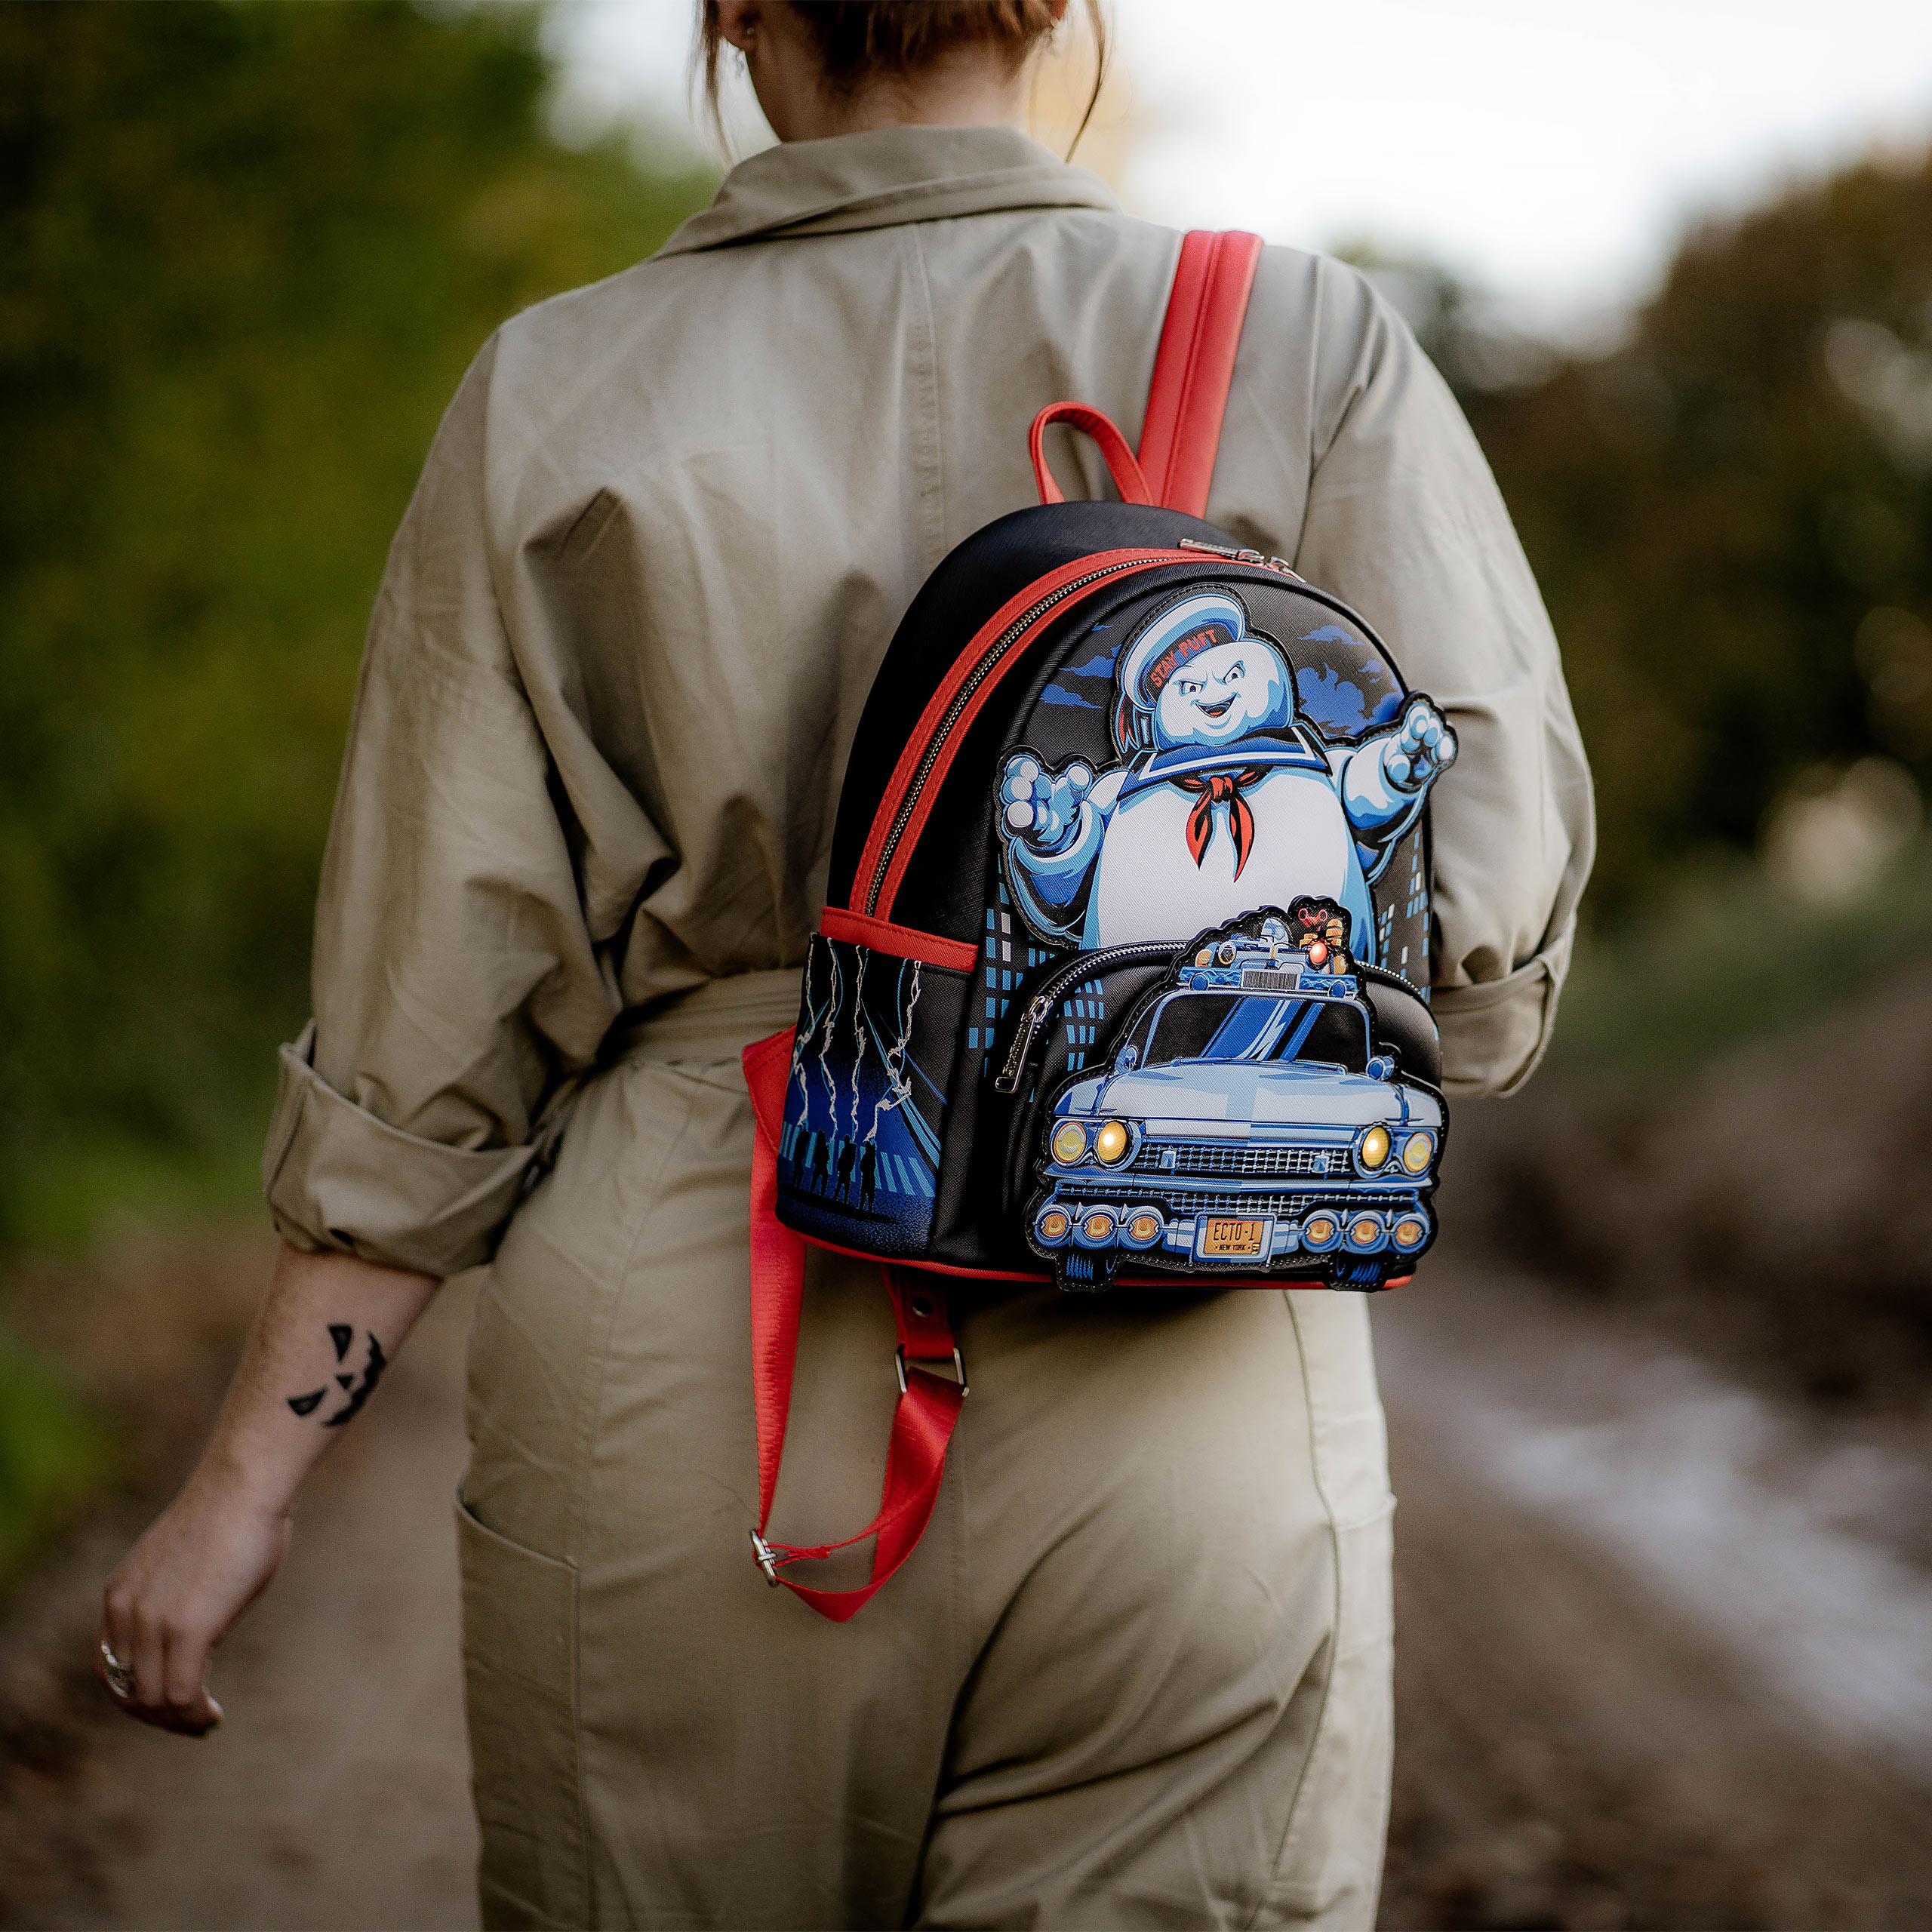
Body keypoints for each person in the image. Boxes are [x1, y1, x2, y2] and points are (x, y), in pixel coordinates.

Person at [93, 2, 1594, 1927]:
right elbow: (1474, 952)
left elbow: (426, 1024)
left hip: (694, 1359)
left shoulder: (559, 384)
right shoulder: (1304, 341)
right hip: (1186, 1326)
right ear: (1057, 11)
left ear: (730, 13)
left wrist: (244, 1486)